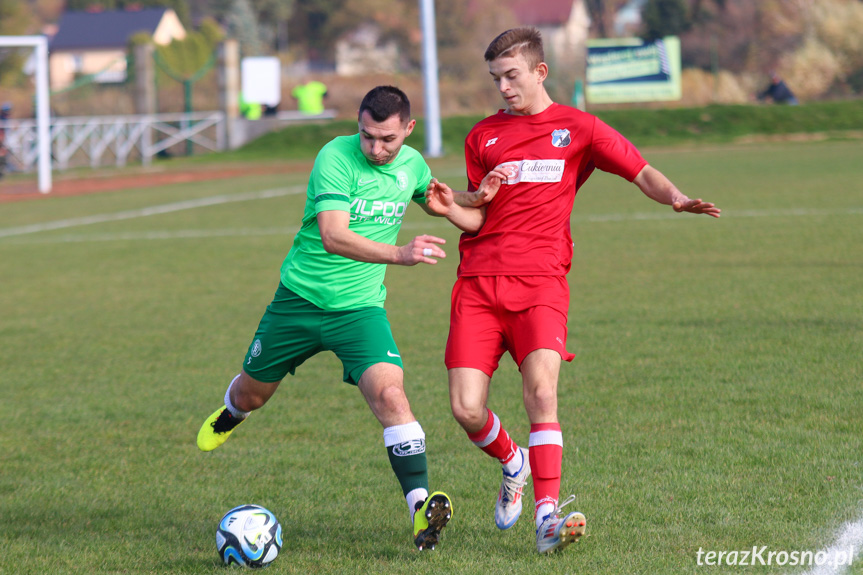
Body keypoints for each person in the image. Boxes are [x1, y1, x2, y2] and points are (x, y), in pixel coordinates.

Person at [426, 27, 720, 555]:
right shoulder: (482, 136)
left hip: (541, 281)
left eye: (512, 76)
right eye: (496, 79)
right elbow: (475, 217)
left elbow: (640, 169)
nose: (504, 88)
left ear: (540, 72)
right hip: (477, 283)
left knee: (542, 393)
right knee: (467, 409)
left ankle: (546, 516)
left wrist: (675, 198)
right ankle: (512, 462)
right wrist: (452, 206)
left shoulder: (578, 128)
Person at [196, 85, 503, 551]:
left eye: (387, 140)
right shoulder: (335, 158)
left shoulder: (413, 164)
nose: (376, 149)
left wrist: (472, 196)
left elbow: (430, 195)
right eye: (367, 137)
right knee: (253, 393)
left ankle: (420, 508)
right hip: (298, 301)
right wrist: (400, 254)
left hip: (360, 311)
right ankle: (233, 411)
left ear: (408, 131)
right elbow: (334, 236)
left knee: (391, 395)